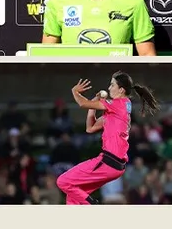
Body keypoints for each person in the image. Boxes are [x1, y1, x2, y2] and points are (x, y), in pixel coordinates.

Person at [56, 71, 159, 204]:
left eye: (112, 85)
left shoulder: (118, 103)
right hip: (114, 165)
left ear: (121, 90)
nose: (109, 88)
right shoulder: (118, 109)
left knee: (63, 181)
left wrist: (75, 92)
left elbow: (82, 104)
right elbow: (90, 128)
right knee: (73, 195)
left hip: (107, 162)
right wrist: (95, 100)